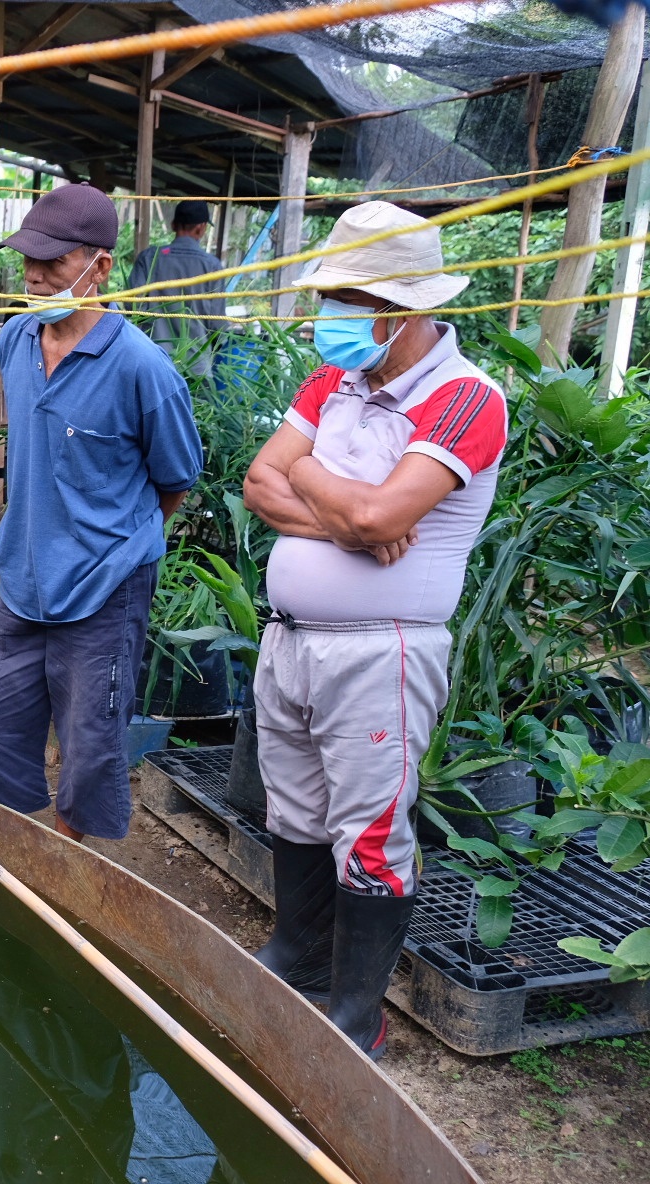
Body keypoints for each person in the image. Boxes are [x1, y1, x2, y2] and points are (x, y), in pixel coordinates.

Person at [241, 201, 506, 1059]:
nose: (332, 317)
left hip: (381, 651)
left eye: (350, 300)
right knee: (297, 808)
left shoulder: (466, 398)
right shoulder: (334, 384)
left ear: (400, 311)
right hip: (290, 641)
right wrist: (345, 519)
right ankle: (296, 955)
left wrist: (314, 477)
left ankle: (358, 1014)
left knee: (372, 830)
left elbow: (383, 508)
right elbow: (258, 483)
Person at [0, 184, 203, 841]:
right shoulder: (16, 339)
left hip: (104, 589)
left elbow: (174, 480)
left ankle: (69, 882)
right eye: (28, 262)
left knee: (90, 749)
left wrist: (117, 544)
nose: (36, 276)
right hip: (23, 579)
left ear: (100, 266)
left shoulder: (142, 369)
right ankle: (12, 864)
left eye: (54, 263)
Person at [125, 199, 227, 379]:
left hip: (153, 365)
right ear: (201, 228)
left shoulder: (151, 258)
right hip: (197, 370)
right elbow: (217, 327)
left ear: (173, 225)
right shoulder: (212, 266)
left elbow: (132, 307)